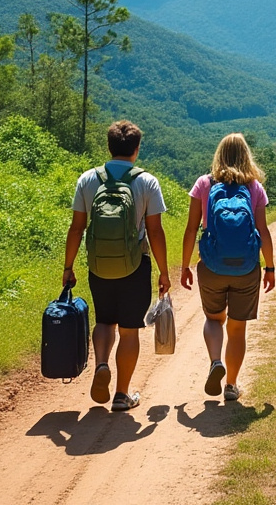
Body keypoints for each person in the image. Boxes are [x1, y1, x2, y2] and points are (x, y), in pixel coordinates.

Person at [63, 120, 171, 412]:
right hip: (135, 266)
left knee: (104, 321)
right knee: (129, 330)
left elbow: (76, 228)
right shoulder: (146, 182)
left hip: (99, 264)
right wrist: (163, 270)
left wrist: (68, 266)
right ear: (136, 149)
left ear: (109, 147)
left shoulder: (87, 180)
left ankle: (101, 365)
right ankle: (122, 395)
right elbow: (155, 231)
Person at [180, 133, 276, 402]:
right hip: (245, 267)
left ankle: (214, 361)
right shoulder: (254, 187)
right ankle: (231, 385)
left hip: (211, 265)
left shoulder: (204, 184)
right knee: (237, 328)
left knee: (213, 319)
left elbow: (190, 229)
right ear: (247, 156)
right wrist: (270, 268)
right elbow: (263, 231)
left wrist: (186, 266)